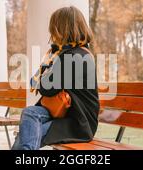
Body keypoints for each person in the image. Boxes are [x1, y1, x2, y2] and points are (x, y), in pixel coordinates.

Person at [11, 6, 100, 150]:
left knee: (26, 135)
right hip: (64, 114)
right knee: (29, 114)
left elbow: (47, 89)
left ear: (62, 29)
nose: (52, 33)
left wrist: (49, 62)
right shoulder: (73, 53)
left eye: (54, 28)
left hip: (78, 122)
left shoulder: (74, 56)